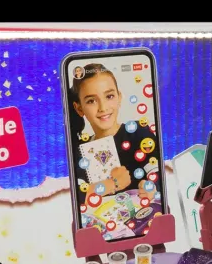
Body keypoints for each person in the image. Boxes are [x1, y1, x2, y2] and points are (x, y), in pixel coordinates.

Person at [68, 63, 159, 201]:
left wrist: (151, 187)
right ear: (79, 108)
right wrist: (112, 184)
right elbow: (78, 197)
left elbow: (160, 174)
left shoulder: (140, 133)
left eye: (109, 96)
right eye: (91, 101)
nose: (103, 108)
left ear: (119, 97)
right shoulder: (79, 151)